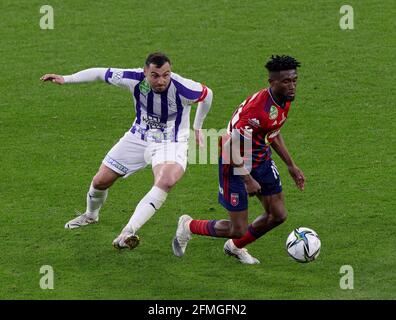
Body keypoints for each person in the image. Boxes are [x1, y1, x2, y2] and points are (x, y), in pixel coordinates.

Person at [41, 52, 213, 250]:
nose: (161, 80)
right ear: (145, 72)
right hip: (138, 137)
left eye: (166, 74)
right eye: (155, 75)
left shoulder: (182, 87)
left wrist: (198, 127)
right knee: (100, 181)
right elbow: (100, 73)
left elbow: (207, 95)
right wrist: (67, 79)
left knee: (166, 180)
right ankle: (90, 215)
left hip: (171, 142)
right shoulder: (134, 79)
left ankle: (128, 231)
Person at [172, 55, 305, 264]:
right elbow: (227, 147)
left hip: (260, 158)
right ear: (272, 82)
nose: (292, 86)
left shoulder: (283, 100)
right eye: (286, 81)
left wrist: (291, 165)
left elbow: (273, 131)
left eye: (294, 80)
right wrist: (247, 179)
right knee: (237, 228)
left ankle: (235, 247)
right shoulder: (257, 111)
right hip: (234, 163)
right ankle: (188, 226)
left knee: (278, 214)